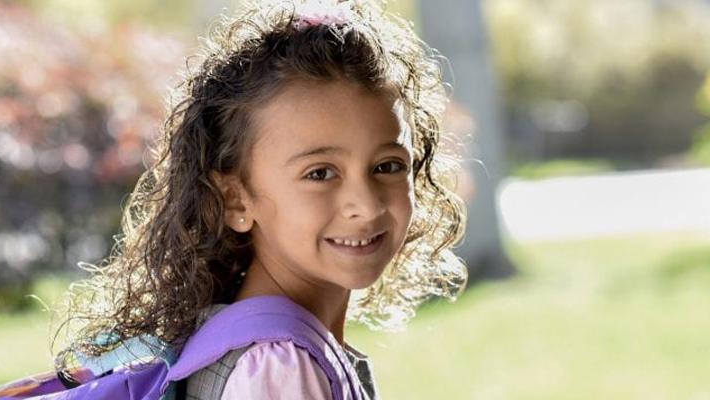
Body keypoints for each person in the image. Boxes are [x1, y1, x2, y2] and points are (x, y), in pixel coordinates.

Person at [54, 0, 467, 399]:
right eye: (319, 173)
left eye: (388, 166)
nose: (367, 205)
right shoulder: (279, 367)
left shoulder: (244, 336)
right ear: (235, 200)